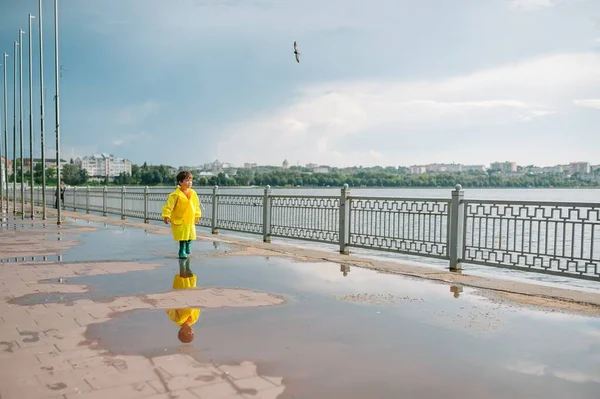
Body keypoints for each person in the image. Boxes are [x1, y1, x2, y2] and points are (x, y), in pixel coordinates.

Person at [162, 171, 202, 259]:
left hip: (190, 219)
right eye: (187, 180)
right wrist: (166, 215)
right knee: (183, 237)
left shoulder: (193, 193)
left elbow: (196, 205)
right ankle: (182, 251)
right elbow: (169, 206)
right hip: (180, 219)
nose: (190, 182)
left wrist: (197, 215)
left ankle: (188, 244)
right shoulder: (175, 194)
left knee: (191, 235)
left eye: (191, 180)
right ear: (180, 182)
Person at [166, 258, 201, 344]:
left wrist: (173, 298)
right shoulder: (194, 320)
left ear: (182, 332)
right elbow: (198, 307)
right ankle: (188, 259)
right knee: (190, 275)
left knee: (183, 276)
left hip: (181, 293)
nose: (191, 332)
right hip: (191, 292)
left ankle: (182, 259)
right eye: (192, 334)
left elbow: (168, 308)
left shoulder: (177, 319)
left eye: (189, 334)